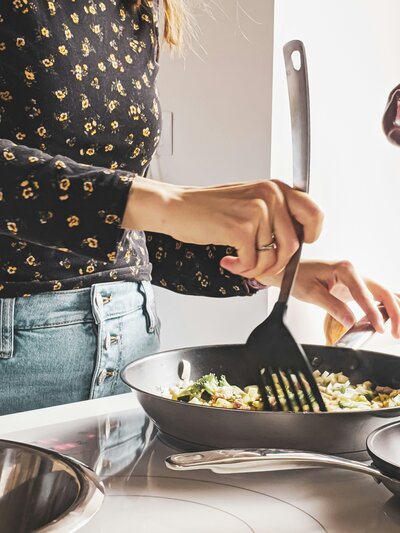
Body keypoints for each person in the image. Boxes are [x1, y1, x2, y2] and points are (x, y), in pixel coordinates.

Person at [0, 0, 397, 416]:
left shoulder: (139, 6)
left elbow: (118, 228)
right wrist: (172, 202)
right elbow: (133, 202)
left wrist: (268, 267)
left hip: (130, 347)